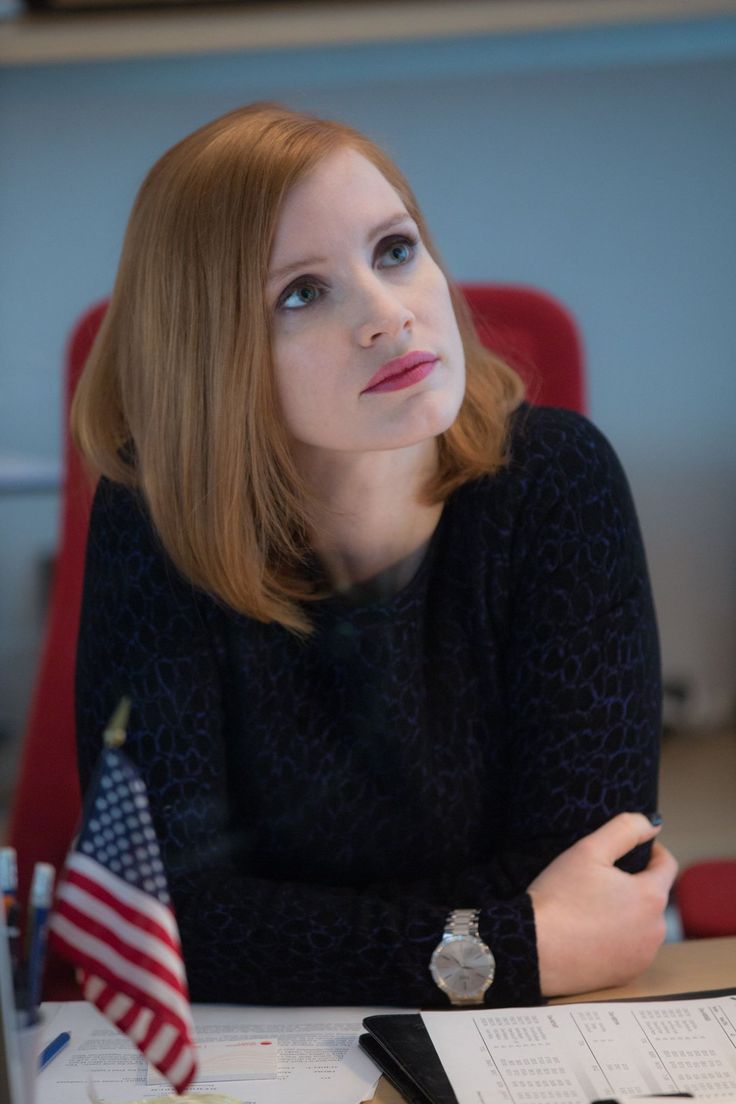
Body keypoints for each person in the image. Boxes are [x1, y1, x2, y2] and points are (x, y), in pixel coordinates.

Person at [72, 102, 677, 1009]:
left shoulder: (558, 480)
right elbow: (167, 921)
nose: (389, 316)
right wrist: (503, 943)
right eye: (301, 293)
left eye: (394, 249)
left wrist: (282, 929)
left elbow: (598, 878)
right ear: (210, 360)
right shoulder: (156, 519)